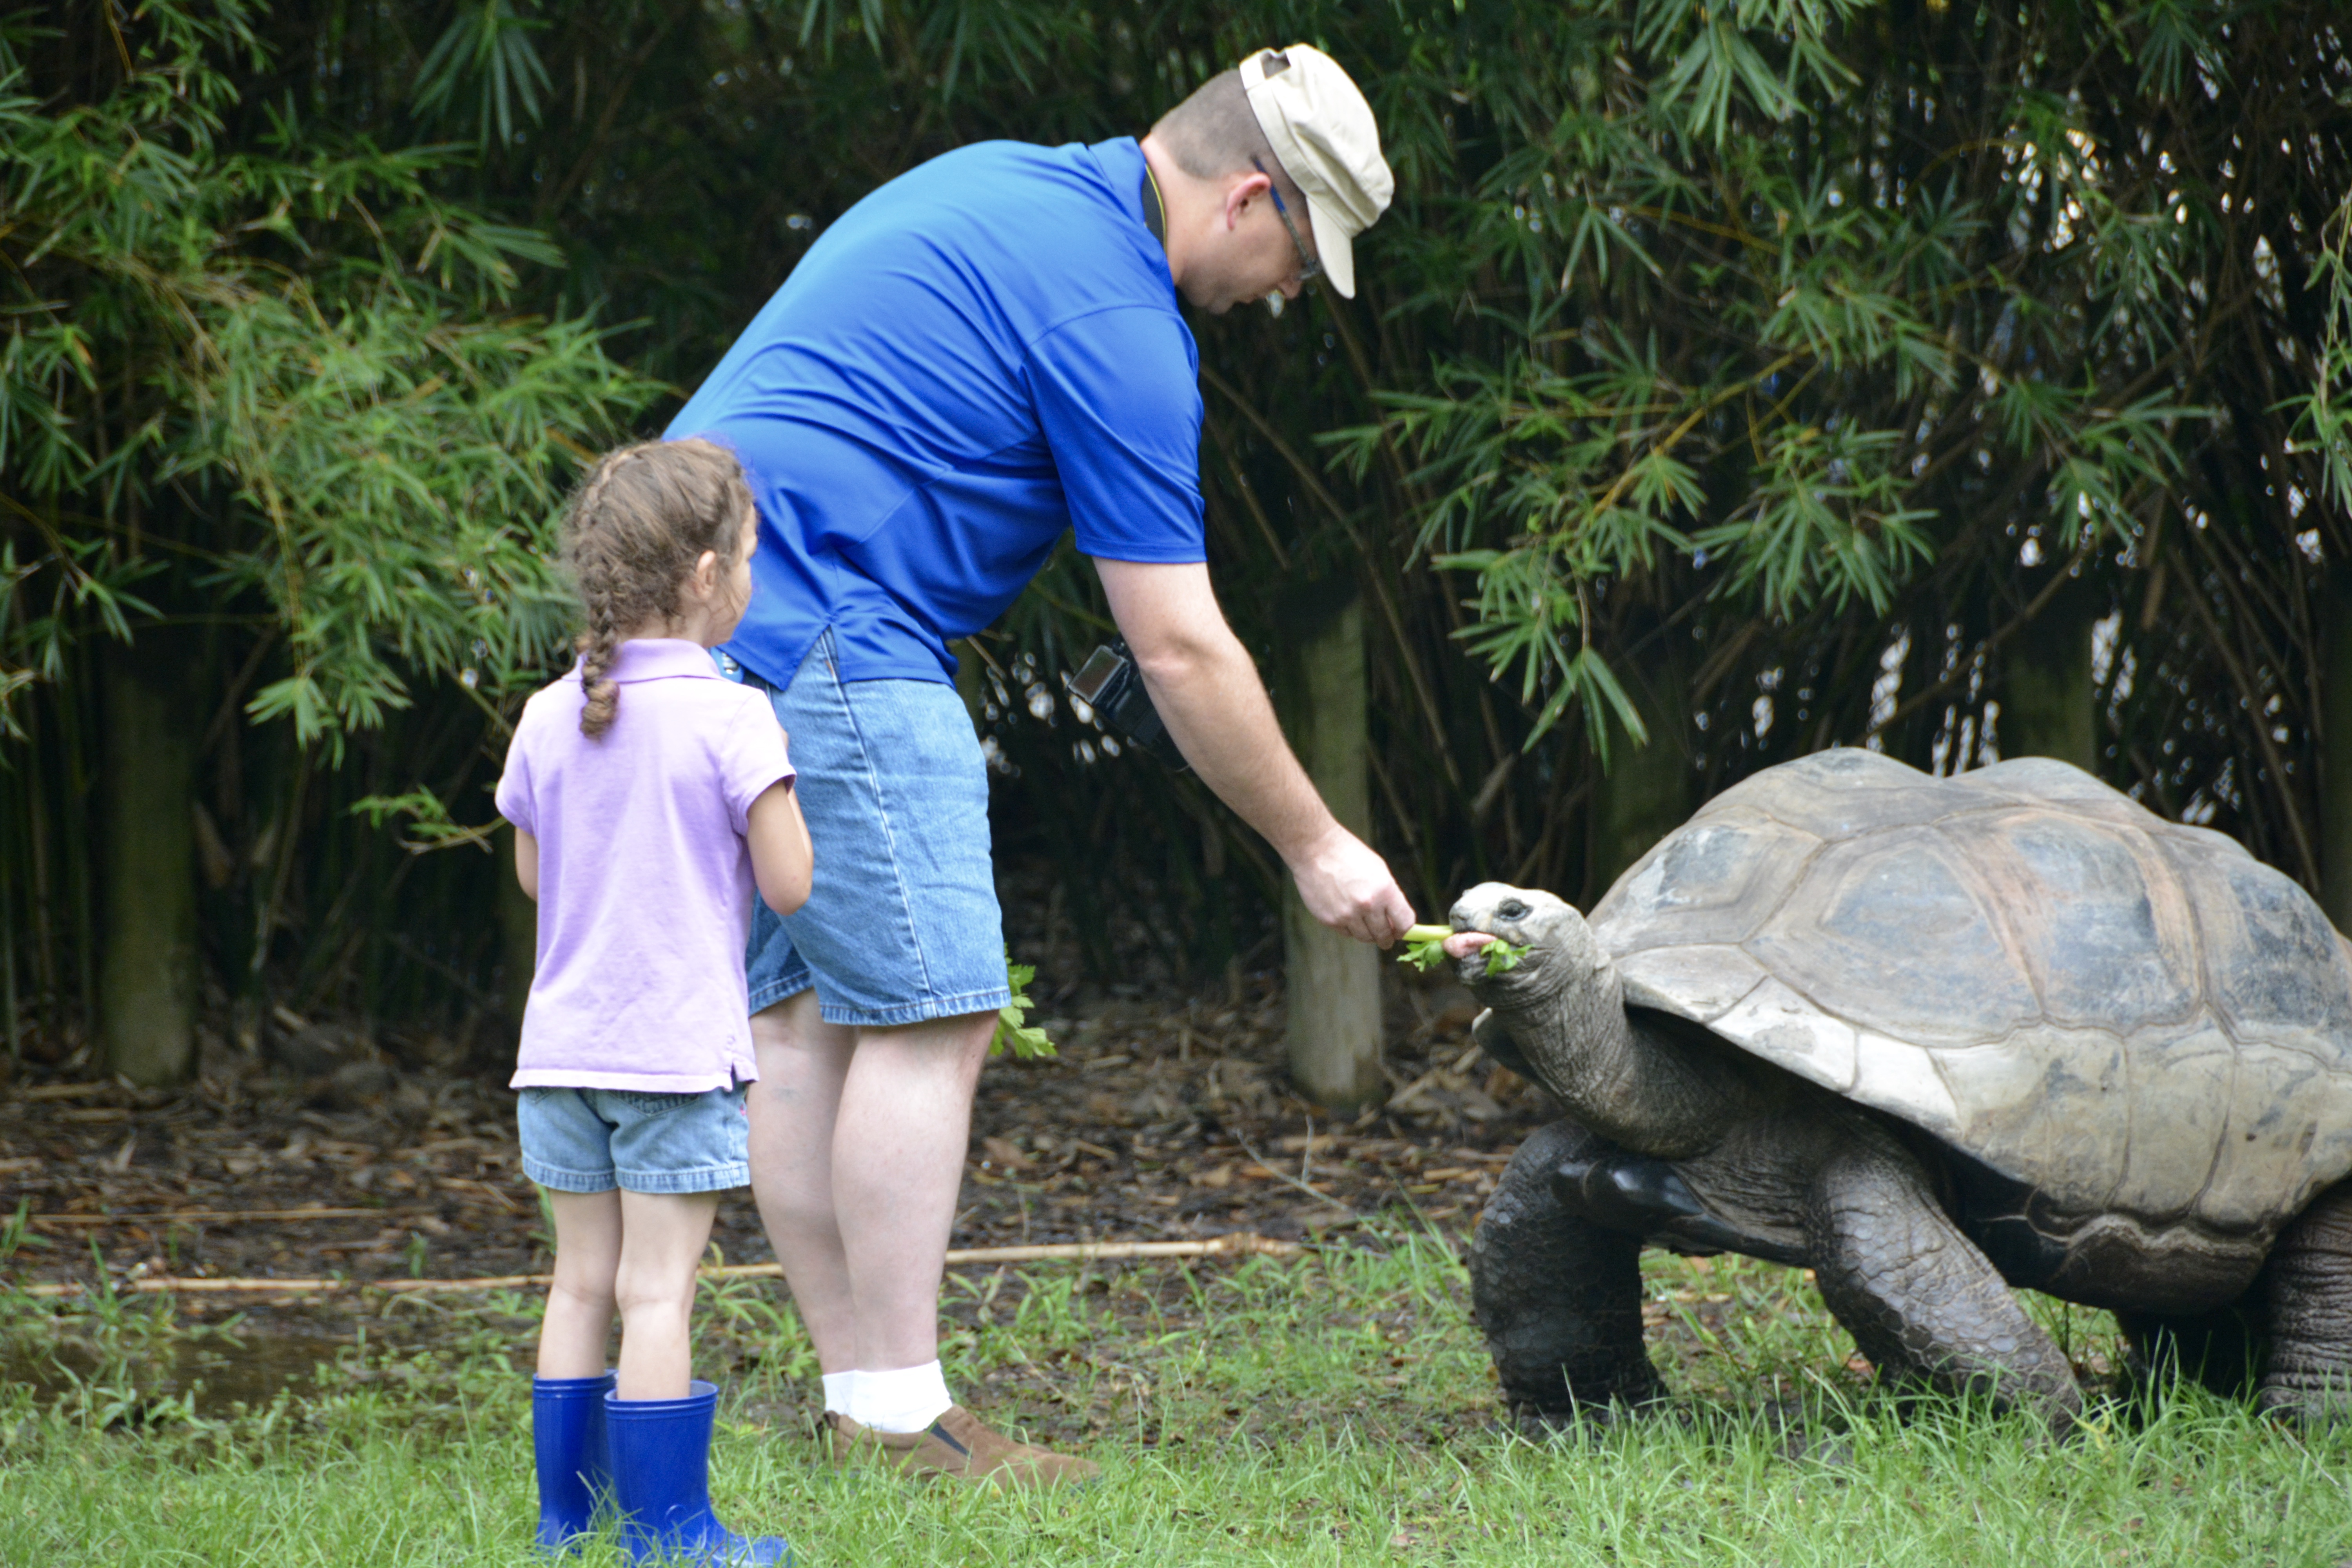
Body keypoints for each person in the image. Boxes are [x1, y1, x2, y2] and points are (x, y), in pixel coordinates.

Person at [662, 44, 1412, 1487]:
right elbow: (1180, 648)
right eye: (1301, 257)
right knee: (932, 1016)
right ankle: (896, 1412)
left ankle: (859, 1400)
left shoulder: (1011, 183)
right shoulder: (1119, 317)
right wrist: (1320, 846)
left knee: (807, 1016)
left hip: (709, 616)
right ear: (1249, 195)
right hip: (837, 625)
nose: (1292, 294)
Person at [499, 438, 814, 1562]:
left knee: (579, 1280)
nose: (751, 580)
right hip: (674, 1062)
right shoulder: (735, 718)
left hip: (560, 1058)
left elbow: (539, 877)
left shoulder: (548, 713)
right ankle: (672, 1530)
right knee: (658, 1292)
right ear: (703, 577)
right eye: (749, 559)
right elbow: (790, 883)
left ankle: (564, 1521)